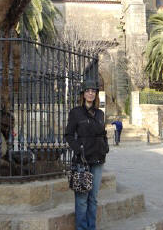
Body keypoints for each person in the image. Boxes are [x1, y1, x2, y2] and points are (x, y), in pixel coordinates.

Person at [65, 80, 109, 230]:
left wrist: (105, 147)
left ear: (96, 94)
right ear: (83, 94)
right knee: (82, 199)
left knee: (93, 198)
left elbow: (103, 133)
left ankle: (91, 227)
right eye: (88, 90)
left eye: (93, 91)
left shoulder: (100, 113)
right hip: (82, 161)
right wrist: (79, 149)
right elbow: (69, 135)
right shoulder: (75, 112)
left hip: (98, 159)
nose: (90, 93)